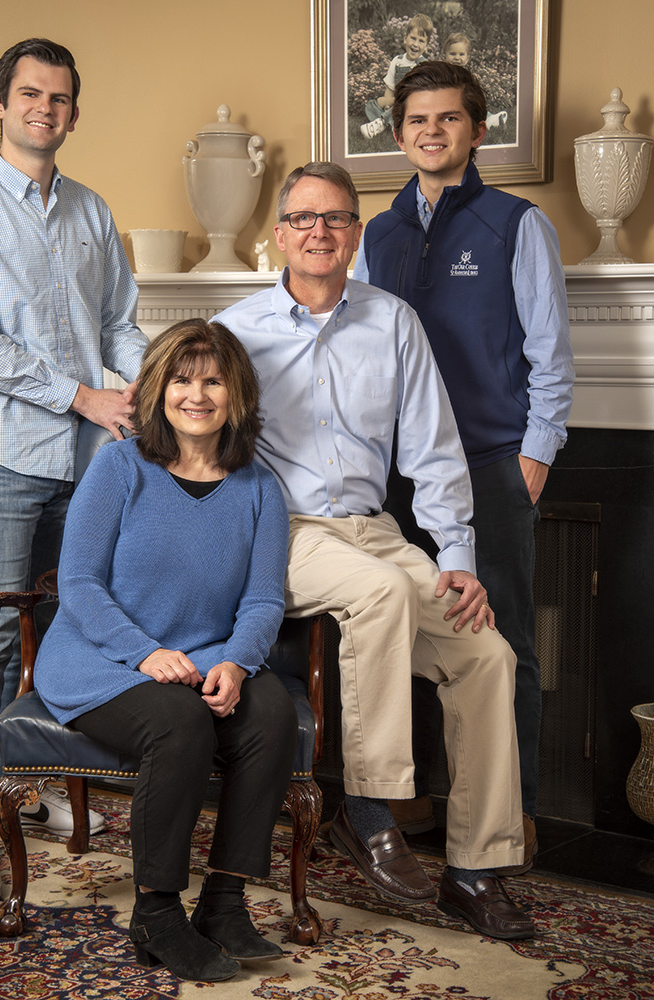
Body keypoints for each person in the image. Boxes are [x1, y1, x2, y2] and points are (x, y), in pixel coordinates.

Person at [217, 161, 535, 941]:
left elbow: (433, 451)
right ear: (279, 235)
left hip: (374, 532)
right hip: (281, 532)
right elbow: (193, 440)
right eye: (303, 219)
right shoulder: (234, 331)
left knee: (486, 655)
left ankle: (474, 869)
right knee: (380, 593)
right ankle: (368, 809)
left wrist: (457, 557)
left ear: (356, 235)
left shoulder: (393, 322)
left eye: (335, 219)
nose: (318, 232)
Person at [0, 38, 148, 901]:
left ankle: (35, 775)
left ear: (74, 114)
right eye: (28, 95)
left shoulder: (92, 210)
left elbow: (120, 321)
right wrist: (86, 397)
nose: (43, 109)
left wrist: (146, 383)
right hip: (1, 456)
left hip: (90, 462)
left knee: (60, 630)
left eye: (58, 98)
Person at [353, 62, 574, 874]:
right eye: (418, 119)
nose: (432, 131)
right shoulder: (374, 233)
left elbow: (551, 357)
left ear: (477, 132)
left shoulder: (518, 225)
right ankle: (408, 796)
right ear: (402, 132)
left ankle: (514, 812)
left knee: (503, 641)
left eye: (450, 119)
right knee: (400, 631)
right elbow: (371, 353)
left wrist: (531, 462)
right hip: (400, 475)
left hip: (489, 465)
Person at [34, 319, 297, 982]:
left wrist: (237, 661)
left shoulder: (261, 488)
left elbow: (264, 600)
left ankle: (226, 904)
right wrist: (144, 652)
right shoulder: (120, 465)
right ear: (158, 390)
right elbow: (79, 584)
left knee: (270, 711)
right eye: (182, 379)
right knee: (179, 719)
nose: (197, 394)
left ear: (236, 394)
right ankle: (156, 914)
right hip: (100, 654)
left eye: (212, 379)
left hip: (203, 653)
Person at [361, 13, 434, 139]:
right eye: (413, 38)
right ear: (405, 38)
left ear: (426, 46)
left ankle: (382, 123)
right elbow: (390, 87)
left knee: (405, 106)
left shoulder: (424, 65)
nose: (415, 44)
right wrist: (388, 103)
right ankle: (393, 121)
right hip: (396, 102)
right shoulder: (397, 61)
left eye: (421, 41)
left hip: (413, 105)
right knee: (373, 104)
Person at [441, 35, 506, 129]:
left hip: (464, 104)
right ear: (444, 56)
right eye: (452, 54)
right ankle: (486, 121)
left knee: (475, 105)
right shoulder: (444, 73)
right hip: (450, 105)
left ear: (467, 58)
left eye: (461, 54)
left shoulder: (465, 74)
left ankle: (490, 119)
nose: (457, 58)